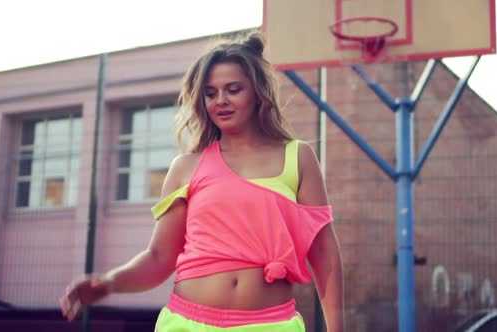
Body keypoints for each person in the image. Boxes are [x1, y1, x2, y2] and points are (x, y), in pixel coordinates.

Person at [59, 32, 345, 332]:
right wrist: (108, 283)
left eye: (233, 89)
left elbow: (324, 254)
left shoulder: (297, 157)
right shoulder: (186, 167)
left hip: (271, 324)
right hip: (187, 322)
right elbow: (159, 257)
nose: (221, 100)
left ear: (258, 92)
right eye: (210, 93)